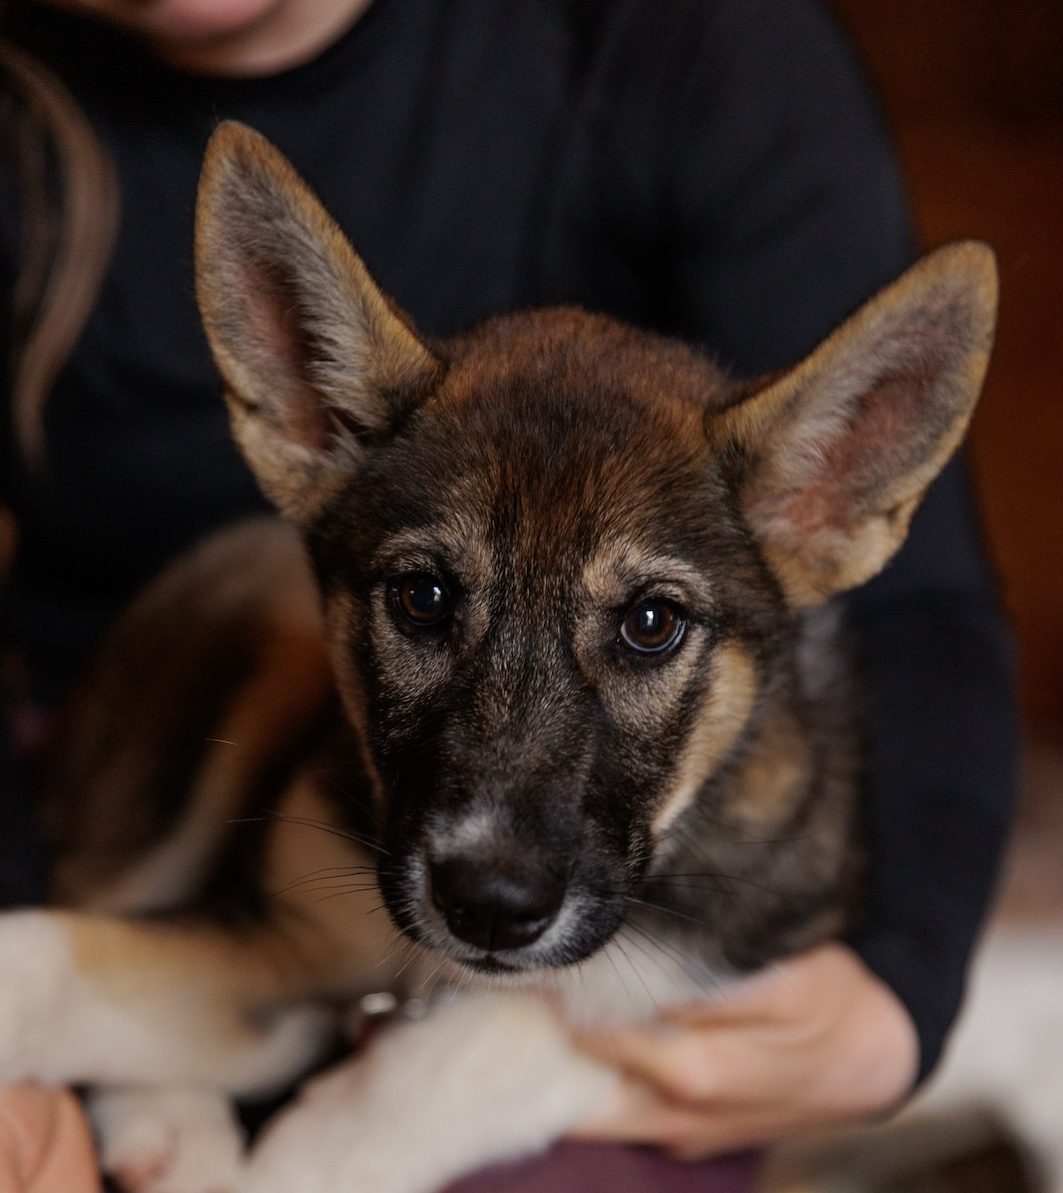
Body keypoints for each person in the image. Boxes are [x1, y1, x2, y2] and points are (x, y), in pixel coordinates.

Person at [0, 0, 1017, 1189]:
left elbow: (929, 613)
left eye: (645, 625)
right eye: (428, 602)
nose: (491, 856)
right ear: (308, 414)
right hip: (122, 754)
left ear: (826, 502)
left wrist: (902, 987)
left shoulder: (685, 46)